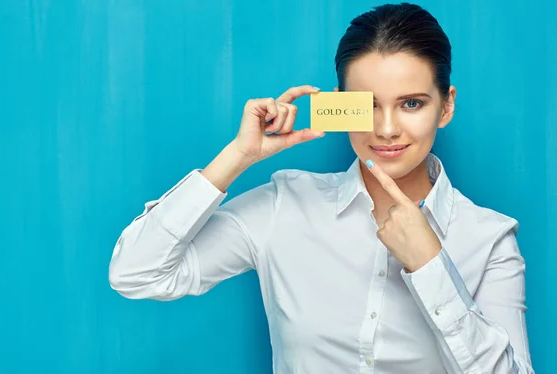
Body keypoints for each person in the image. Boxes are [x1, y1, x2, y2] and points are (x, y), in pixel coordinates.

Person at [108, 3, 534, 373]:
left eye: (411, 103)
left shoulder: (489, 238)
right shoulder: (285, 206)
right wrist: (238, 156)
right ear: (340, 106)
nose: (386, 129)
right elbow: (136, 275)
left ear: (446, 105)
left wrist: (429, 265)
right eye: (366, 105)